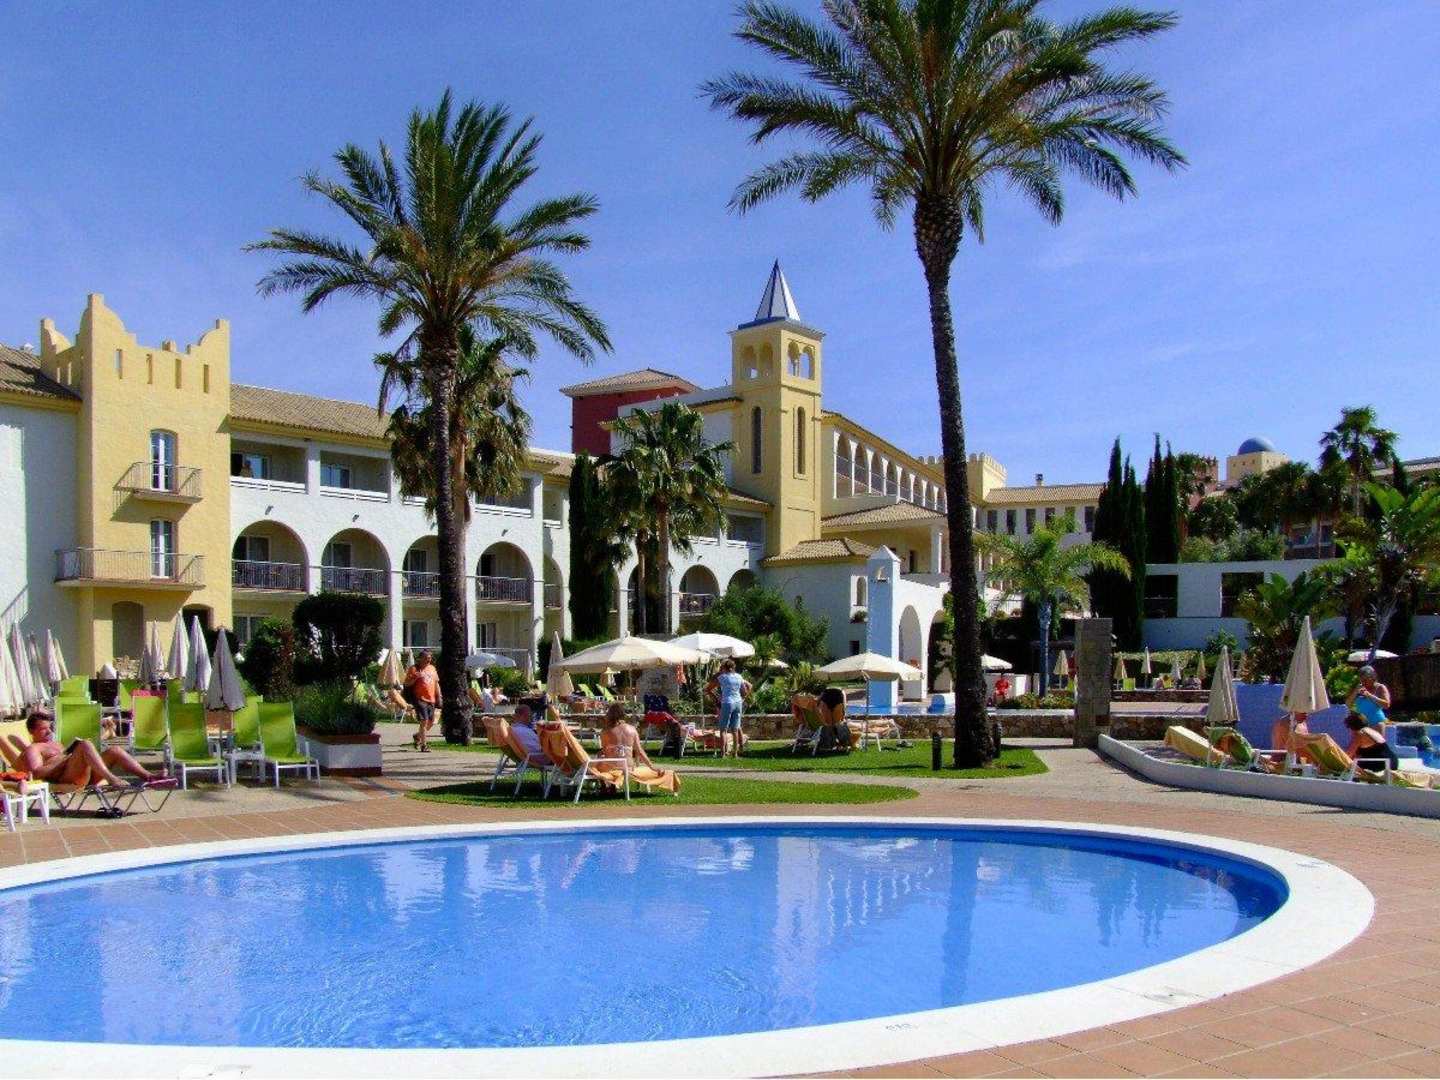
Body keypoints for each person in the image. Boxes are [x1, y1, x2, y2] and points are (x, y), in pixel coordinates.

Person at [20, 712, 163, 790]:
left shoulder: (55, 743)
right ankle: (112, 779)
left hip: (81, 773)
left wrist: (69, 756)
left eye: (49, 727)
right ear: (32, 731)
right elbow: (36, 774)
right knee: (85, 744)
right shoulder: (33, 749)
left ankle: (149, 777)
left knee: (114, 750)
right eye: (43, 729)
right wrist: (63, 760)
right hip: (66, 779)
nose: (49, 731)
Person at [706, 659, 752, 758]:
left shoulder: (722, 677)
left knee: (723, 729)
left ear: (723, 667)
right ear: (733, 667)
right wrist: (742, 698)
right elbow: (745, 691)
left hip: (727, 703)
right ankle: (735, 753)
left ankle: (723, 754)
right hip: (738, 703)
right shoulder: (739, 676)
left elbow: (708, 689)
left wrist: (716, 697)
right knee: (735, 729)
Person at [404, 650, 441, 752]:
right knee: (424, 721)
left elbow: (436, 683)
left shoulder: (432, 668)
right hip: (420, 698)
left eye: (429, 658)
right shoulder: (414, 669)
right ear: (420, 658)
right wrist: (415, 678)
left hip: (431, 699)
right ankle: (424, 745)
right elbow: (406, 683)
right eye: (426, 658)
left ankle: (418, 736)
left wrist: (439, 696)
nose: (428, 660)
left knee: (431, 722)